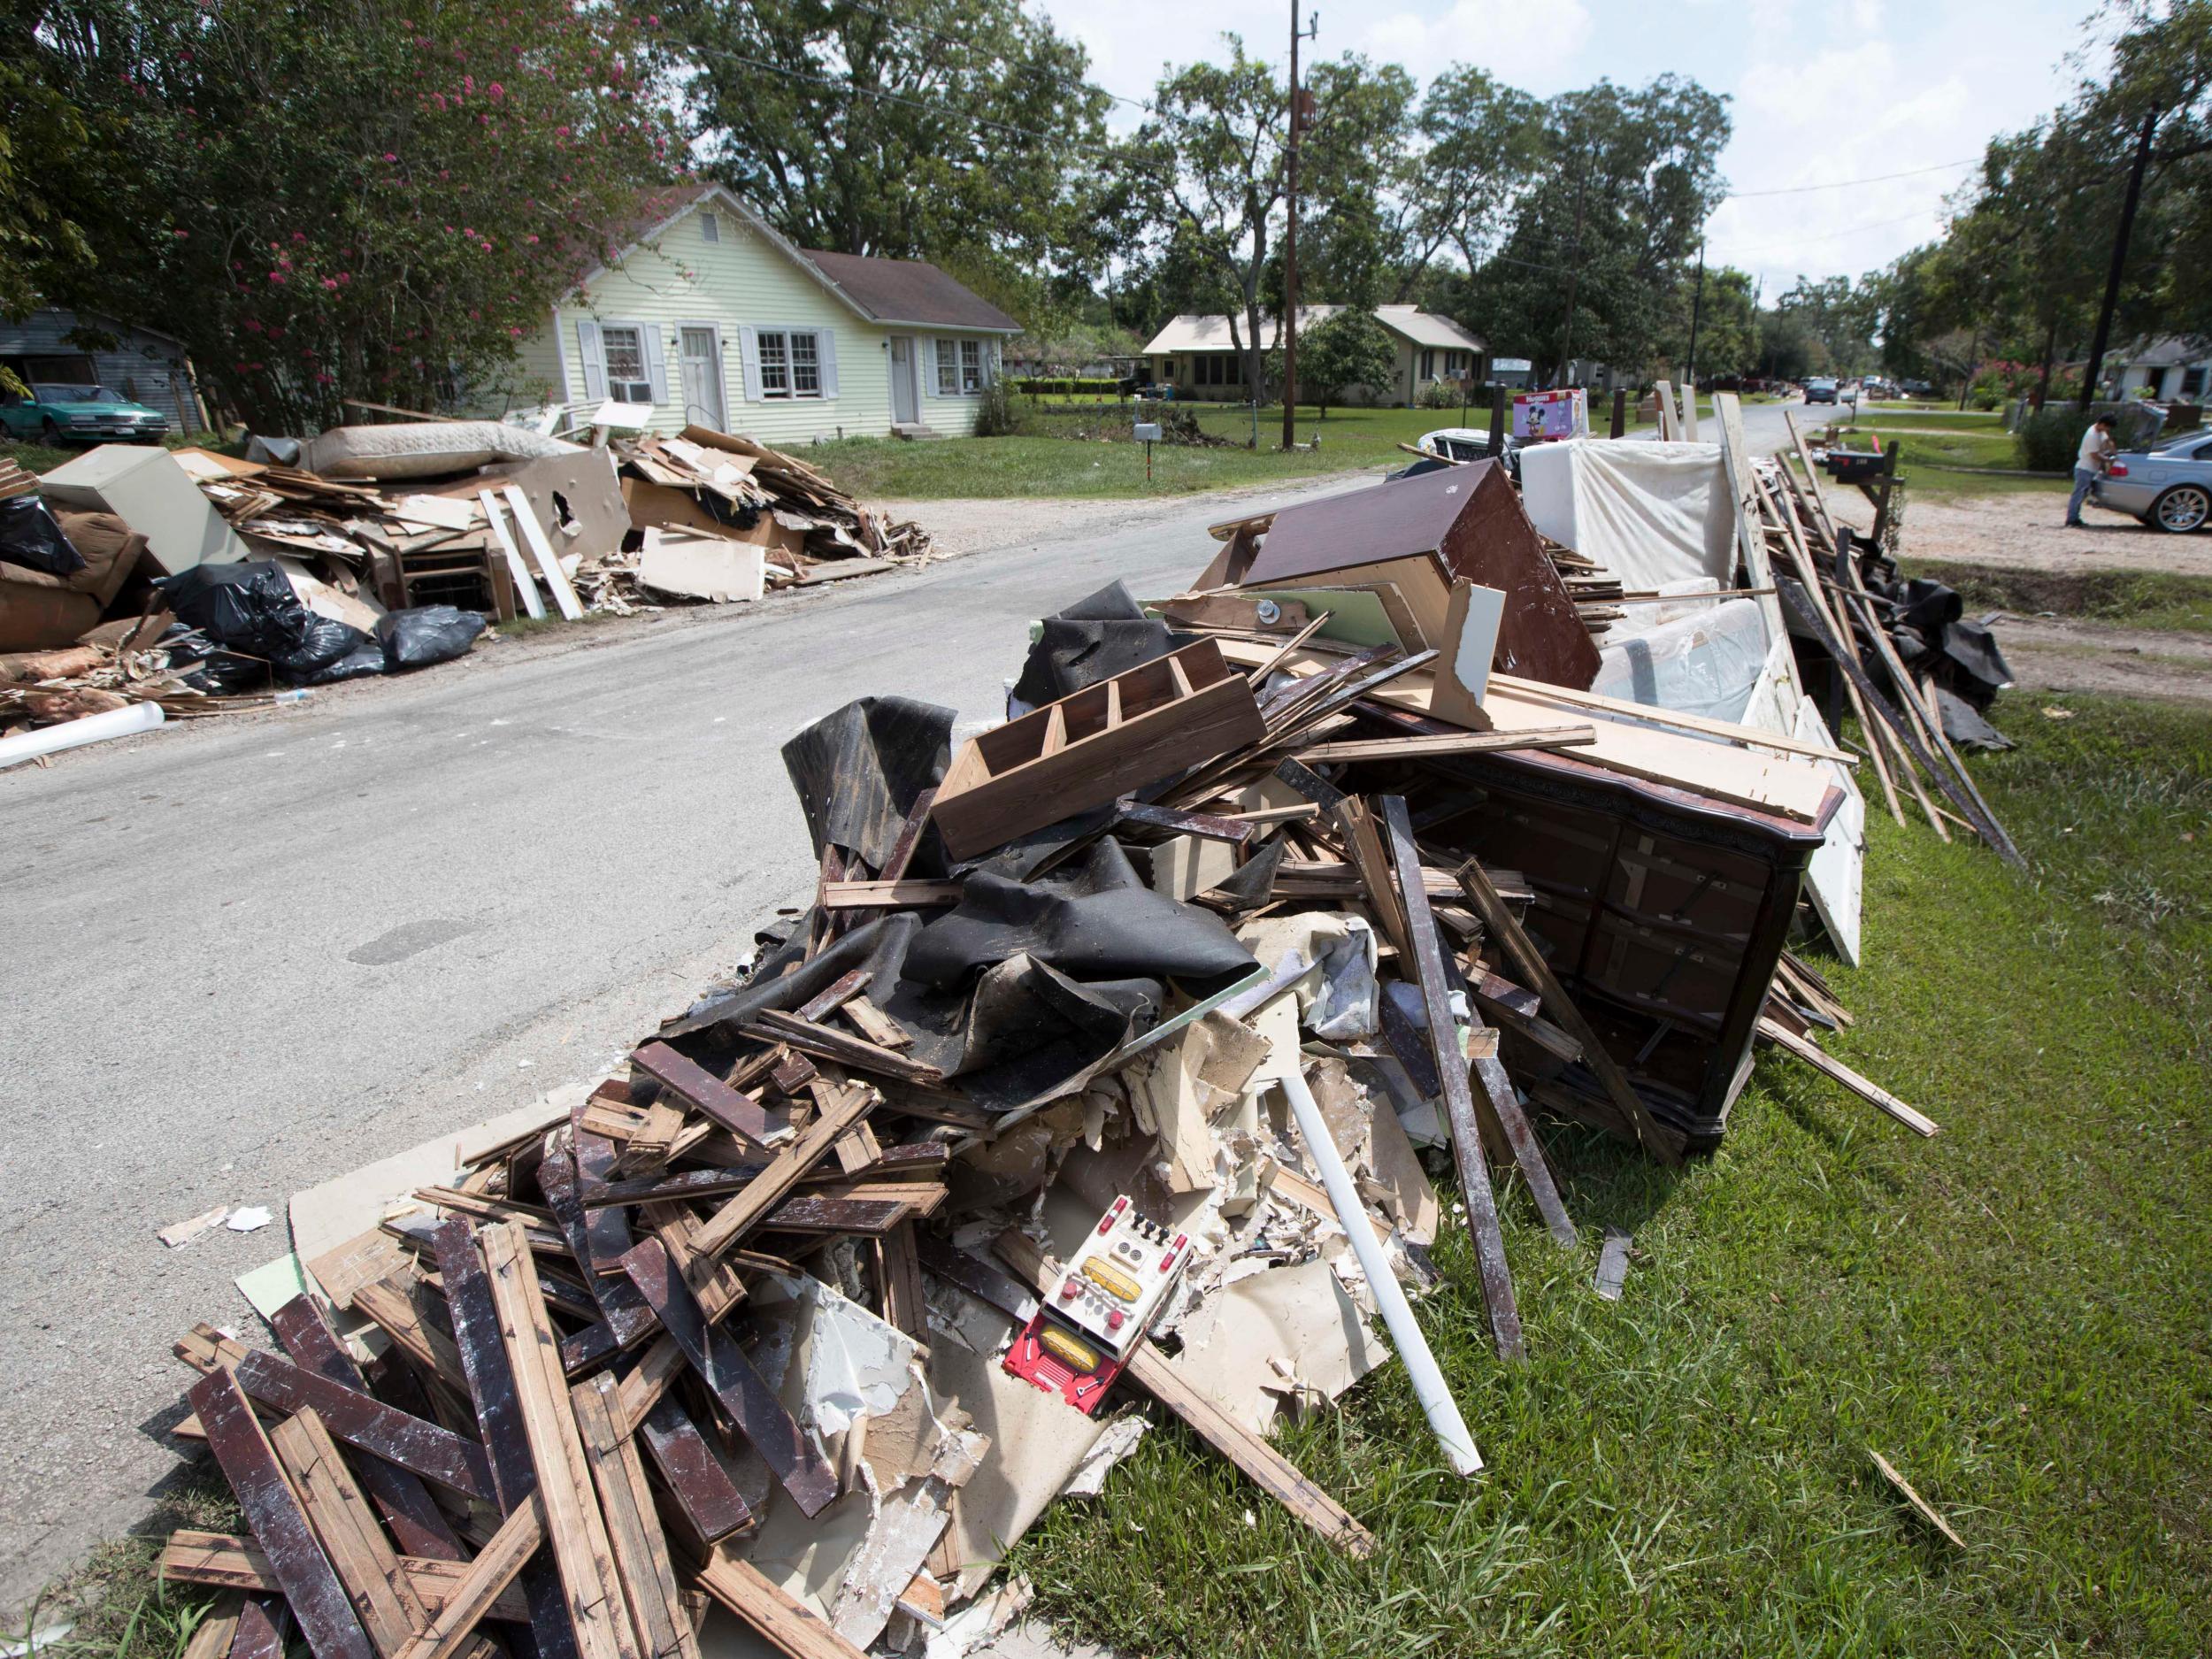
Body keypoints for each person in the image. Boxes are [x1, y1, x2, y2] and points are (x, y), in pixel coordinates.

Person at [2067, 414, 2118, 526]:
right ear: (2102, 424)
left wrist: (2114, 452)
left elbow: (2108, 441)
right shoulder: (2092, 435)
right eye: (2107, 427)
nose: (2107, 430)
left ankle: (2075, 517)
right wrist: (2108, 460)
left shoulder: (2100, 431)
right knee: (2078, 494)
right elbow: (2094, 455)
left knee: (2083, 494)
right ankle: (2071, 519)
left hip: (2091, 469)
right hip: (2085, 468)